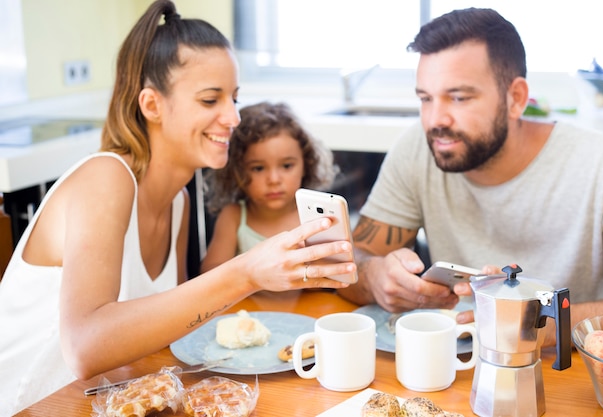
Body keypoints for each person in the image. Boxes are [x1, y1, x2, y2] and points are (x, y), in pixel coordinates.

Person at [0, 1, 355, 414]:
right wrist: (246, 272)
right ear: (152, 105)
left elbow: (178, 325)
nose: (234, 117)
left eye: (234, 99)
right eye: (210, 100)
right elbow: (84, 348)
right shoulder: (105, 178)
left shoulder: (179, 202)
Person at [337, 7, 603, 346]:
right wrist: (376, 277)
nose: (435, 120)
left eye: (458, 97)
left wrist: (542, 325)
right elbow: (350, 262)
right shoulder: (419, 147)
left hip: (564, 371)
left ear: (515, 98)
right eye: (425, 98)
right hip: (448, 362)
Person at [201, 101, 337, 272]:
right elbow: (209, 274)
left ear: (306, 165)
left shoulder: (315, 218)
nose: (273, 180)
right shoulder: (234, 216)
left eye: (287, 166)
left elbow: (334, 277)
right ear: (237, 171)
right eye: (258, 168)